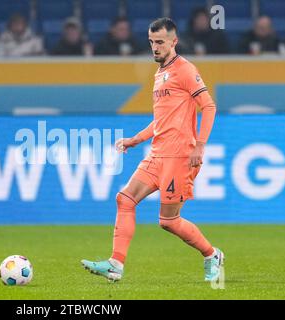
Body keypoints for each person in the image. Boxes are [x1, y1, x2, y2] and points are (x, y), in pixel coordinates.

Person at [81, 18, 224, 283]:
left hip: (179, 156)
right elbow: (161, 120)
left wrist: (200, 145)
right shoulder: (160, 74)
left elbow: (210, 106)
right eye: (151, 42)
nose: (155, 47)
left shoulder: (185, 69)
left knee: (168, 222)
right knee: (125, 199)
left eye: (160, 42)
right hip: (157, 154)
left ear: (174, 41)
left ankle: (212, 254)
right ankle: (115, 264)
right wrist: (135, 139)